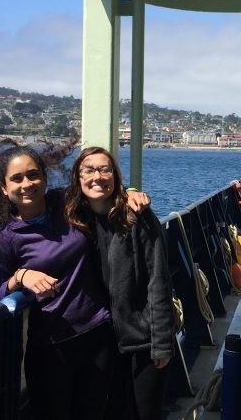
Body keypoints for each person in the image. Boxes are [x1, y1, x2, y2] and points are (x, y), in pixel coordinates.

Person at [0, 138, 149, 420]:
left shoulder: (65, 203)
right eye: (17, 179)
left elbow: (100, 189)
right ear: (5, 188)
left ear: (43, 177)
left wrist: (131, 193)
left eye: (33, 174)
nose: (26, 183)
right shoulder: (8, 239)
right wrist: (20, 276)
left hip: (98, 333)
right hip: (52, 349)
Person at [64, 146, 175, 420]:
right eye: (88, 170)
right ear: (77, 178)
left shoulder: (138, 217)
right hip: (98, 343)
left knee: (143, 413)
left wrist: (161, 342)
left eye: (105, 169)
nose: (97, 177)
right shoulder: (72, 220)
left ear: (115, 175)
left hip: (141, 342)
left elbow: (158, 281)